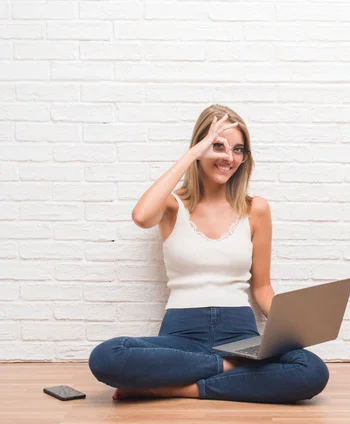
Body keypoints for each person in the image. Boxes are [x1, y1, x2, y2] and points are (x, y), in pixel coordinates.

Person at [88, 104, 330, 403]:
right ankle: (230, 371)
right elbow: (141, 216)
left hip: (241, 336)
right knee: (106, 356)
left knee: (312, 370)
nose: (229, 157)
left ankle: (179, 388)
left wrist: (290, 328)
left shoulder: (256, 209)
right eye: (218, 146)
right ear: (200, 148)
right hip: (181, 337)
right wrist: (191, 154)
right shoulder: (172, 205)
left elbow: (262, 287)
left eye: (238, 149)